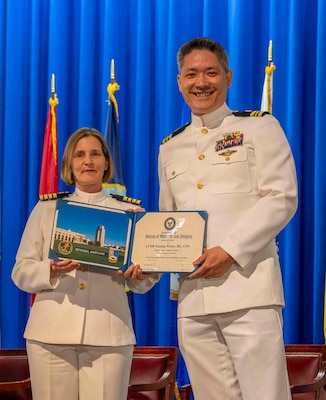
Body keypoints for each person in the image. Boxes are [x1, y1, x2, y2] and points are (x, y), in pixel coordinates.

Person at [158, 38, 298, 400]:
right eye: (191, 74)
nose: (201, 82)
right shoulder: (169, 147)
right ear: (179, 81)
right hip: (193, 299)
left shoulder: (259, 127)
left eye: (210, 72)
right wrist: (150, 262)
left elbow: (282, 197)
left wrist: (231, 250)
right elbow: (168, 221)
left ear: (228, 77)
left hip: (248, 289)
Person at [12, 127, 159, 400]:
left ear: (106, 163)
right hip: (50, 335)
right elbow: (20, 272)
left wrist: (143, 273)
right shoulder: (47, 209)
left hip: (109, 335)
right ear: (69, 163)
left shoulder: (129, 213)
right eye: (79, 155)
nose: (88, 161)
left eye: (95, 154)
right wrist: (50, 269)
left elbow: (142, 283)